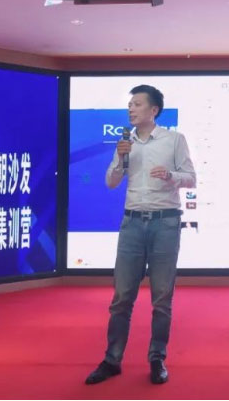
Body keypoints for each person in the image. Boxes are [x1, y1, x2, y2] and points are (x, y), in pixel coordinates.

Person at [85, 84, 196, 385]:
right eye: (129, 105)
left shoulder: (174, 140)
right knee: (122, 297)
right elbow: (111, 182)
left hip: (165, 223)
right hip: (132, 223)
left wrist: (171, 176)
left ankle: (157, 359)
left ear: (153, 110)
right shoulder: (125, 143)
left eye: (137, 104)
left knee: (162, 299)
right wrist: (121, 159)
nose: (131, 109)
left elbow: (191, 178)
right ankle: (112, 360)